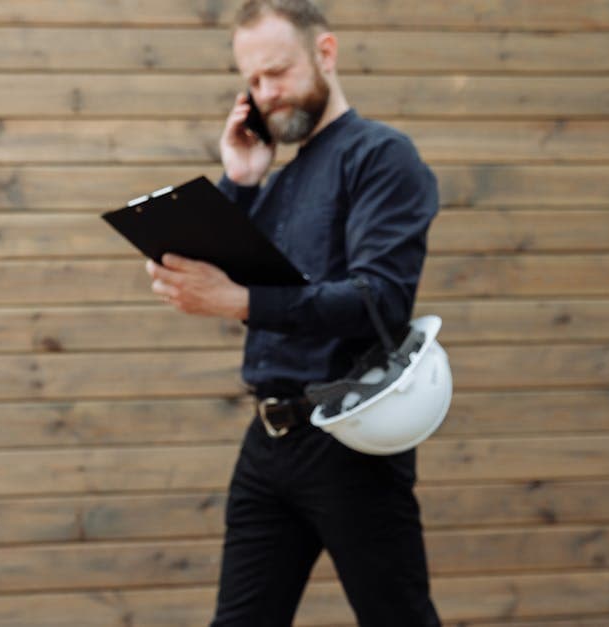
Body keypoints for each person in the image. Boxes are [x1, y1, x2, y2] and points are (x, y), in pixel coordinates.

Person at [145, 1, 442, 625]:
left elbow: (377, 299)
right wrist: (241, 182)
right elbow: (228, 269)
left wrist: (237, 302)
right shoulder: (278, 177)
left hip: (352, 440)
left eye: (277, 72)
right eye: (252, 81)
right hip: (269, 441)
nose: (266, 94)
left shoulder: (381, 156)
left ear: (325, 53)